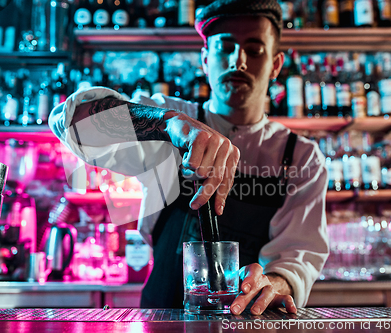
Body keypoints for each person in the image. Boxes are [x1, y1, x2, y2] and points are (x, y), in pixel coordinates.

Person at [49, 0, 329, 315]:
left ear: (276, 65)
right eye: (225, 47)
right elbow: (71, 122)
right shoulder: (170, 119)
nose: (238, 61)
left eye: (254, 50)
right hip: (162, 317)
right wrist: (167, 123)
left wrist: (271, 283)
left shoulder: (301, 157)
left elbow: (297, 257)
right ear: (206, 58)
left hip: (247, 319)